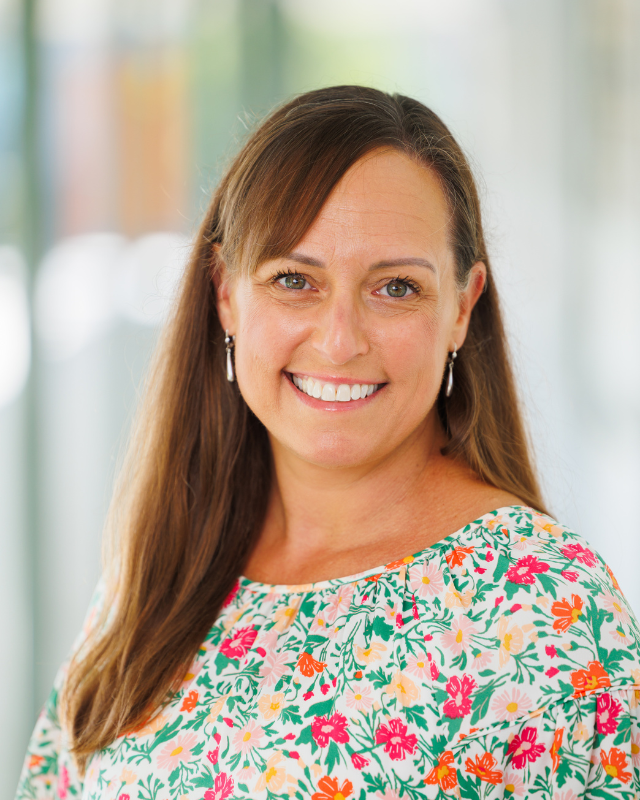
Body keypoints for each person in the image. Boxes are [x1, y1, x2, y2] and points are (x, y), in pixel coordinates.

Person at [16, 85, 640, 800]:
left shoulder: (545, 607)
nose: (340, 340)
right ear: (225, 294)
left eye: (396, 288)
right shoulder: (160, 574)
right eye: (293, 280)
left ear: (462, 308)